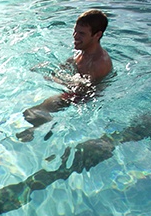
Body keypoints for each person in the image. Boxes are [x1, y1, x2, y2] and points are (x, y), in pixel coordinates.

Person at [19, 9, 112, 139]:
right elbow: (65, 68)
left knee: (31, 113)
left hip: (80, 101)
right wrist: (48, 70)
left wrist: (55, 79)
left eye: (81, 33)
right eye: (75, 30)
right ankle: (36, 128)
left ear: (97, 35)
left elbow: (84, 93)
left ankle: (39, 128)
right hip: (72, 93)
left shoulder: (99, 63)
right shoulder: (82, 51)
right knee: (30, 114)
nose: (75, 36)